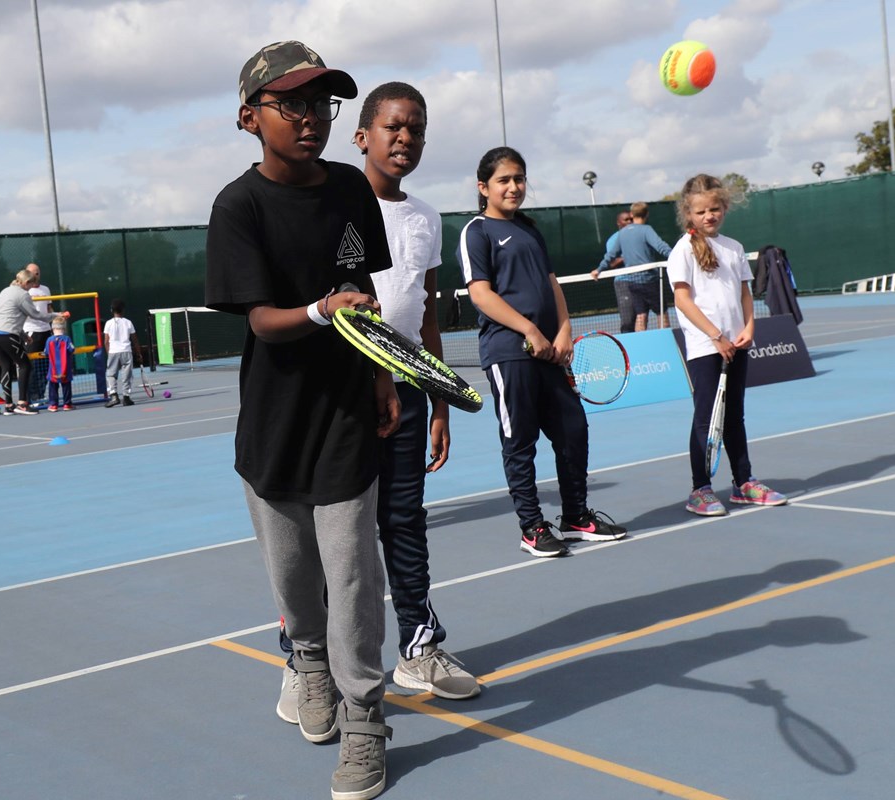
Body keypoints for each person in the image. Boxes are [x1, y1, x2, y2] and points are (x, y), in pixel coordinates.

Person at [204, 41, 399, 800]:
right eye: (294, 104)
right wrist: (323, 308)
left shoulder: (352, 190)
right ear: (250, 116)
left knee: (352, 577)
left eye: (322, 103)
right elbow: (261, 322)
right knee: (294, 580)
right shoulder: (238, 207)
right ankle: (307, 662)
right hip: (273, 428)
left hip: (348, 416)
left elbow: (366, 299)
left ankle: (365, 722)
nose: (312, 117)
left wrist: (381, 374)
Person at [275, 81, 480, 714]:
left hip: (410, 393)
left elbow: (425, 320)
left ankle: (419, 647)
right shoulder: (330, 203)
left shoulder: (426, 218)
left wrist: (441, 398)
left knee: (404, 521)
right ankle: (302, 660)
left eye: (416, 129)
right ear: (362, 136)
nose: (405, 139)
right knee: (332, 537)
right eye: (393, 126)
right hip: (338, 395)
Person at [456, 146, 627, 558]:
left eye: (519, 178)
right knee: (520, 442)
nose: (514, 187)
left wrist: (565, 330)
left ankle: (575, 517)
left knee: (573, 431)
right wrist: (530, 329)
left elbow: (552, 285)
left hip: (552, 354)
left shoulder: (531, 229)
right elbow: (480, 294)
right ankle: (532, 528)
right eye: (504, 180)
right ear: (483, 187)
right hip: (508, 353)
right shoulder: (476, 232)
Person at [666, 174, 788, 516]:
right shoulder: (683, 251)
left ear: (725, 208)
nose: (709, 216)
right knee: (706, 418)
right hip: (707, 347)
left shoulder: (733, 248)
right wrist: (715, 336)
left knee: (735, 416)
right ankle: (700, 489)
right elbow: (683, 300)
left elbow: (744, 293)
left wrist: (748, 327)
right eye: (701, 211)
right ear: (688, 214)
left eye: (715, 209)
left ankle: (743, 483)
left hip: (737, 345)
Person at [0, 268, 63, 415]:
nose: (31, 287)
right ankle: (22, 403)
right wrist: (56, 315)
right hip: (7, 335)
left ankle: (9, 404)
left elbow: (10, 316)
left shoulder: (5, 291)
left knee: (6, 366)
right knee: (25, 365)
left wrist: (22, 335)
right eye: (31, 284)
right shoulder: (23, 295)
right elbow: (36, 315)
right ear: (27, 282)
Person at [591, 202, 673, 332]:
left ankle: (639, 346)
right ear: (647, 214)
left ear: (632, 214)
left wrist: (599, 269)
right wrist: (677, 257)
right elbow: (661, 247)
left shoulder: (622, 234)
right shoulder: (646, 230)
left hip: (633, 283)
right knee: (662, 313)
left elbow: (610, 255)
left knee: (640, 316)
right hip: (650, 280)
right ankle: (666, 342)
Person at [22, 263, 54, 404]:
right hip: (32, 332)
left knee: (46, 365)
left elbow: (49, 308)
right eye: (32, 273)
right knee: (32, 366)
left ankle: (41, 395)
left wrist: (54, 323)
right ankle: (31, 396)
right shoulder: (24, 292)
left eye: (37, 272)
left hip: (46, 331)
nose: (35, 275)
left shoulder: (45, 289)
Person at [103, 299, 140, 408]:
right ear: (123, 310)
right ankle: (126, 397)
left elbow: (106, 341)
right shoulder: (128, 322)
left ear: (111, 310)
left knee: (110, 374)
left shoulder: (108, 323)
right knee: (127, 375)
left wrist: (109, 352)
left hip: (113, 352)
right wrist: (138, 353)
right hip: (126, 352)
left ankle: (114, 395)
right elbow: (135, 339)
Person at [43, 315, 75, 412]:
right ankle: (67, 404)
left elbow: (46, 352)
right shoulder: (66, 339)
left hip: (53, 369)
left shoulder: (49, 340)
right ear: (64, 328)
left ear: (53, 328)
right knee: (66, 387)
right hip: (65, 367)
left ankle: (53, 405)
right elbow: (72, 349)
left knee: (53, 387)